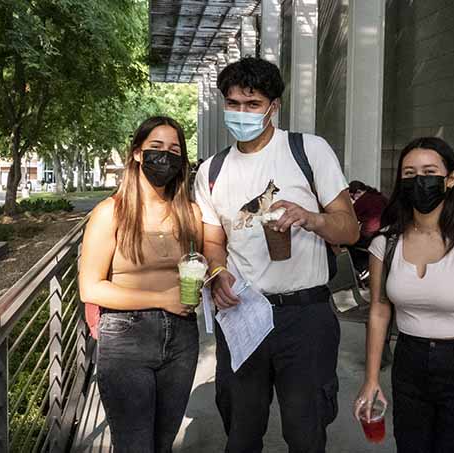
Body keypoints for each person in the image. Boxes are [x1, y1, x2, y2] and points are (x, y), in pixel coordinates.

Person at [194, 57, 360, 452]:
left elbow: (349, 228)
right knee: (241, 430)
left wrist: (310, 218)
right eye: (233, 103)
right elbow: (212, 240)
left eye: (252, 105)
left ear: (274, 106)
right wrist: (217, 271)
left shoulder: (308, 150)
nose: (241, 113)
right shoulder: (212, 171)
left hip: (304, 316)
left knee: (306, 432)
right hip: (242, 313)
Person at [354, 137, 454, 452]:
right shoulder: (387, 242)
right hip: (409, 362)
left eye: (429, 171)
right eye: (409, 174)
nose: (419, 181)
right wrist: (371, 380)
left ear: (450, 179)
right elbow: (379, 312)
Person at [78, 116, 203, 453]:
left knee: (163, 443)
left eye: (175, 150)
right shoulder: (111, 212)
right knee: (134, 445)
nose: (166, 157)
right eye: (156, 148)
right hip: (126, 338)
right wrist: (161, 298)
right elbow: (90, 288)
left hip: (182, 337)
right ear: (137, 153)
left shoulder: (190, 212)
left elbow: (205, 264)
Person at [348, 180, 388, 274]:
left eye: (352, 197)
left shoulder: (363, 200)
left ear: (358, 192)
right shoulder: (381, 197)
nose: (353, 200)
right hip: (385, 235)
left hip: (370, 236)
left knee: (348, 242)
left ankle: (359, 270)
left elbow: (350, 217)